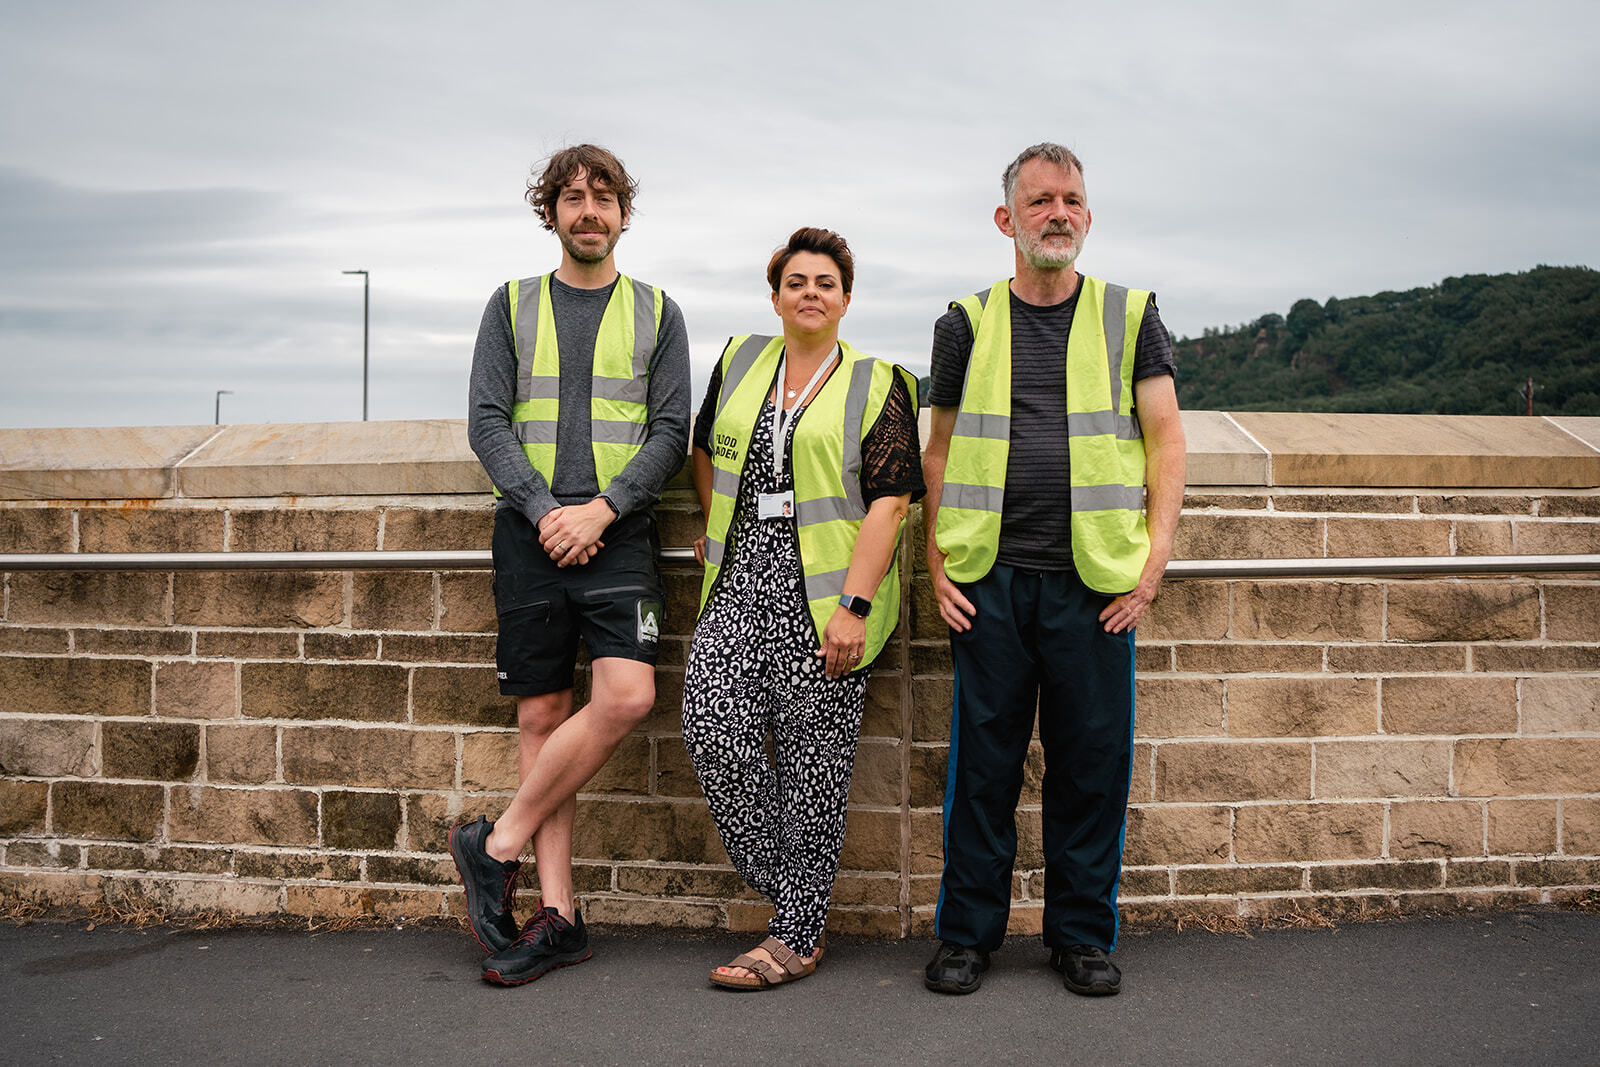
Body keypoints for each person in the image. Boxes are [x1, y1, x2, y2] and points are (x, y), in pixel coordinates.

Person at [921, 143, 1186, 998]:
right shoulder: (964, 321)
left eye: (1071, 199)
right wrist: (934, 563)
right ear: (1008, 219)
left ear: (1089, 215)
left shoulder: (1130, 312)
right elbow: (939, 449)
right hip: (989, 579)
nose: (1058, 213)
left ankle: (1081, 936)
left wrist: (1153, 564)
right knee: (983, 769)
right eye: (1040, 201)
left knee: (1090, 764)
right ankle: (966, 937)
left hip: (1097, 582)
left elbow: (1165, 440)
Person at [456, 144, 690, 986]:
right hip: (530, 531)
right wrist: (547, 510)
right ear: (549, 211)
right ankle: (557, 916)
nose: (588, 211)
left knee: (626, 694)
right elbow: (488, 422)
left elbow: (672, 433)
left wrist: (600, 508)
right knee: (542, 715)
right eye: (572, 198)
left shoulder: (659, 311)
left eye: (603, 198)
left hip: (618, 532)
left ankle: (497, 843)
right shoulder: (510, 304)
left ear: (624, 213)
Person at [683, 227, 923, 990]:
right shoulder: (740, 361)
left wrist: (852, 606)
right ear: (776, 293)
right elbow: (703, 449)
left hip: (825, 596)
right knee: (711, 725)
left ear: (846, 299)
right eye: (796, 281)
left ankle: (795, 932)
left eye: (825, 281)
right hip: (739, 582)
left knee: (815, 767)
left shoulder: (878, 380)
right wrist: (716, 523)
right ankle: (797, 889)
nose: (810, 292)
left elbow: (892, 501)